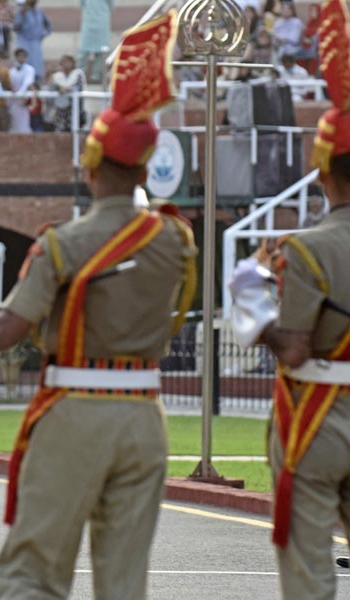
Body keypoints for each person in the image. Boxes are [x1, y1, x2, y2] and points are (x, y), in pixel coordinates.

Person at [0, 12, 195, 599]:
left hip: (78, 407)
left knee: (34, 570)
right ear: (144, 166)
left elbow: (8, 329)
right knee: (124, 578)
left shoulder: (64, 243)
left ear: (90, 165)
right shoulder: (176, 240)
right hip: (145, 414)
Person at [228, 2, 350, 596]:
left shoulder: (308, 248)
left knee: (310, 574)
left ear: (323, 169)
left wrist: (253, 315)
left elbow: (297, 349)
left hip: (326, 417)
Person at [13, 0, 51, 81]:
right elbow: (15, 28)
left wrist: (42, 35)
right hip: (24, 42)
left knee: (37, 67)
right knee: (24, 66)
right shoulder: (21, 11)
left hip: (36, 43)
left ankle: (37, 84)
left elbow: (48, 26)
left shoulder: (40, 12)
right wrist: (22, 16)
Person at [49, 54, 85, 132]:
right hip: (60, 112)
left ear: (72, 63)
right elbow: (51, 89)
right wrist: (58, 87)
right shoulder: (56, 76)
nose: (64, 64)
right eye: (62, 62)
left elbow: (78, 88)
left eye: (67, 61)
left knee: (74, 133)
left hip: (74, 110)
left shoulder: (78, 74)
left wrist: (66, 89)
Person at [9, 48, 35, 133]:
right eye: (19, 56)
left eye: (23, 56)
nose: (21, 58)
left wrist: (21, 95)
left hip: (23, 100)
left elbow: (27, 83)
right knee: (13, 124)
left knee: (24, 124)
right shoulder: (11, 71)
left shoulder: (29, 69)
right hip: (12, 101)